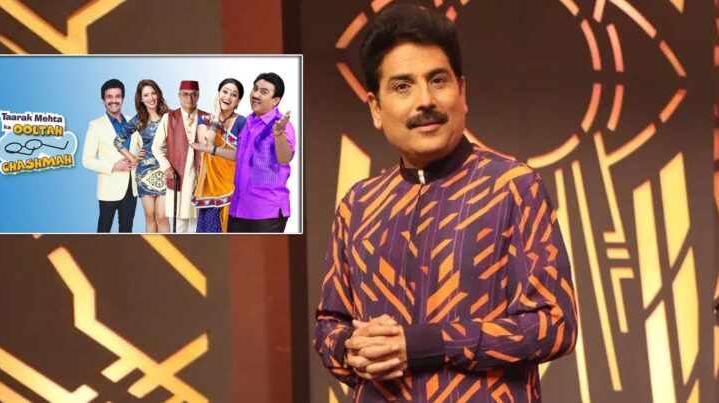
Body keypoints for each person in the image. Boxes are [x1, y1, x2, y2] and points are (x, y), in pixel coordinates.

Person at [313, 4, 578, 402]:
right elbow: (328, 325)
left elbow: (553, 325)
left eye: (438, 80)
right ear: (375, 108)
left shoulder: (512, 187)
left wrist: (425, 344)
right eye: (402, 86)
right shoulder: (359, 206)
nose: (425, 100)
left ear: (462, 92)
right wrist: (352, 348)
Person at [223, 72, 295, 233]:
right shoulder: (248, 121)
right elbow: (240, 156)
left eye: (264, 92)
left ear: (276, 100)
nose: (255, 95)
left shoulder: (281, 125)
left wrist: (278, 134)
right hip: (238, 209)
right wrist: (212, 150)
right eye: (255, 89)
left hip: (266, 213)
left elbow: (285, 159)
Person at [82, 79, 141, 232]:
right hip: (108, 188)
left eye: (117, 96)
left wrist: (139, 160)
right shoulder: (95, 126)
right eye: (109, 97)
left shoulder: (134, 122)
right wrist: (113, 166)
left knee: (127, 230)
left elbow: (146, 146)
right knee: (104, 230)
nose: (113, 100)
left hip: (131, 187)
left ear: (123, 98)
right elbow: (87, 160)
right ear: (103, 100)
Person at [191, 78, 247, 232]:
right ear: (218, 94)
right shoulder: (205, 120)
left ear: (238, 101)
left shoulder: (242, 122)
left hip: (233, 189)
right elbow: (206, 143)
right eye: (225, 92)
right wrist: (216, 114)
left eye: (234, 95)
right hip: (210, 188)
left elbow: (241, 156)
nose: (228, 97)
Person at [114, 79, 170, 233]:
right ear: (141, 99)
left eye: (153, 93)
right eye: (146, 95)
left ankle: (167, 245)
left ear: (158, 94)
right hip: (144, 173)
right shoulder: (139, 120)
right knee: (150, 216)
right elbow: (118, 141)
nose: (151, 98)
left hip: (166, 170)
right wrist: (133, 158)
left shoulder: (170, 116)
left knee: (162, 216)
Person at [152, 80, 204, 233]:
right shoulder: (169, 118)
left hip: (200, 179)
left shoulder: (207, 118)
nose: (190, 98)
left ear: (198, 96)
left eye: (194, 95)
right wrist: (166, 167)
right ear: (179, 96)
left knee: (198, 225)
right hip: (178, 178)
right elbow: (156, 147)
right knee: (179, 226)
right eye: (185, 94)